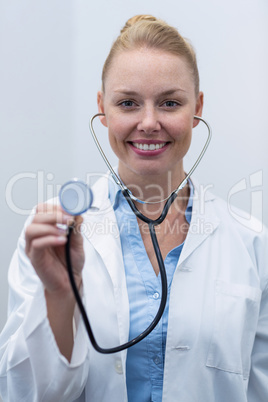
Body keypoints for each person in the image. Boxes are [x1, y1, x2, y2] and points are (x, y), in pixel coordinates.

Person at [0, 14, 267, 402]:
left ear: (198, 108)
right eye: (128, 103)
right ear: (102, 108)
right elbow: (24, 394)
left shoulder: (251, 243)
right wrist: (59, 294)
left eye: (169, 103)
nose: (148, 122)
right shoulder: (52, 234)